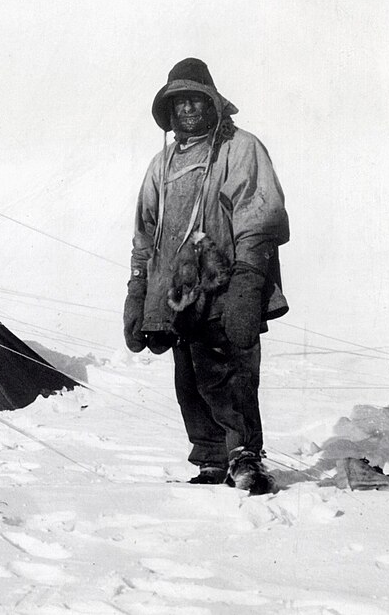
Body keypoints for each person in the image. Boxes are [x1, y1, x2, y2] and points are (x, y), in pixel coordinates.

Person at [124, 58, 290, 495]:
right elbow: (145, 230)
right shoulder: (161, 164)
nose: (188, 109)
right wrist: (138, 288)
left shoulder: (240, 148)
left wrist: (248, 283)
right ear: (169, 111)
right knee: (190, 378)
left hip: (226, 285)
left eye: (196, 99)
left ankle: (244, 458)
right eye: (179, 103)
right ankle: (212, 459)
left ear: (213, 102)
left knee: (231, 374)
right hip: (178, 294)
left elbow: (259, 215)